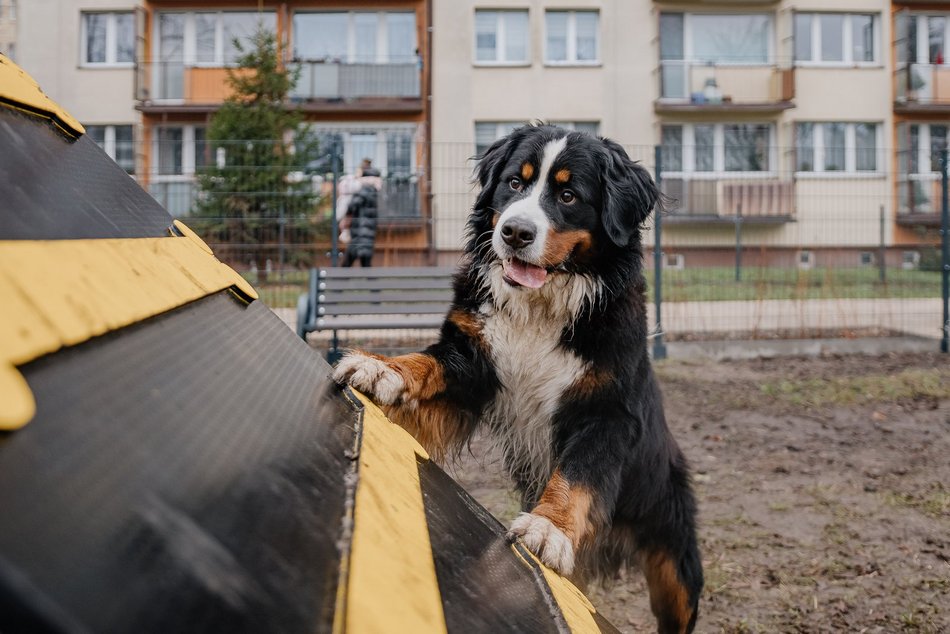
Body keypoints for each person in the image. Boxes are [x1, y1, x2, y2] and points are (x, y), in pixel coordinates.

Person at [342, 161, 382, 267]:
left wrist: (347, 215)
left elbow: (352, 206)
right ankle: (369, 281)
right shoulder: (373, 191)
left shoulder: (364, 190)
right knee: (365, 259)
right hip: (367, 230)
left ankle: (339, 280)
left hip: (360, 229)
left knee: (351, 258)